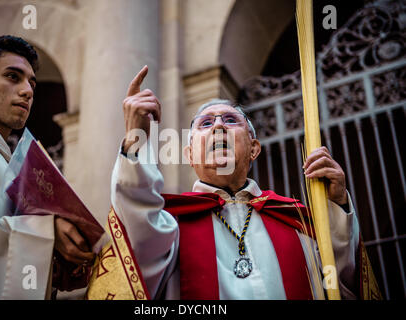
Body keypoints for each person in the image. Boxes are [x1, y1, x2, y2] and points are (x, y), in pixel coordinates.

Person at [110, 65, 363, 300]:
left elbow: (343, 285)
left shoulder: (295, 220)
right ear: (189, 155)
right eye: (206, 123)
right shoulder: (169, 225)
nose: (218, 125)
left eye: (231, 120)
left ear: (254, 149)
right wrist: (136, 142)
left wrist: (337, 205)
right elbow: (138, 241)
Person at [0, 35, 94, 299]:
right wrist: (44, 233)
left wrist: (52, 264)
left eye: (31, 82)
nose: (28, 90)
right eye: (12, 76)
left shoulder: (20, 166)